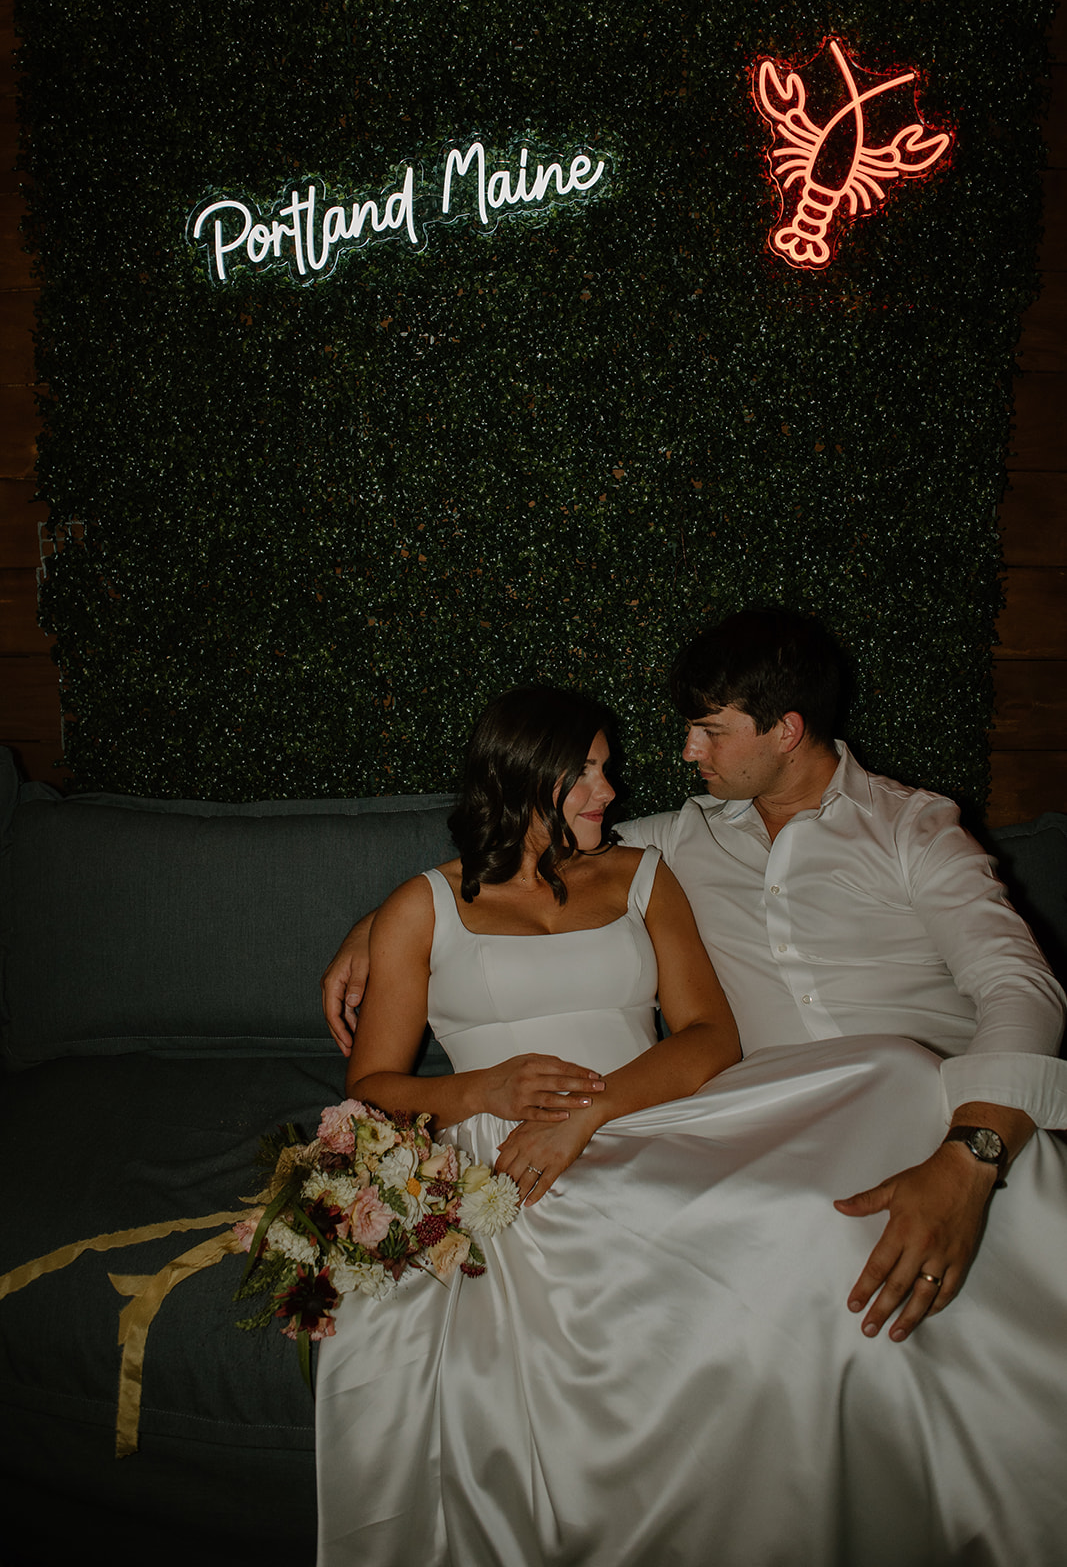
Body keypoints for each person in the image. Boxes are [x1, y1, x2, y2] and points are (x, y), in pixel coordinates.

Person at [317, 669, 1067, 1567]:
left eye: (606, 770)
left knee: (895, 1069)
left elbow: (710, 1036)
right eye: (586, 774)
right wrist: (477, 1089)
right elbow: (374, 1088)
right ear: (520, 778)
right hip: (506, 1144)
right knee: (737, 1230)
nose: (612, 791)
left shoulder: (644, 872)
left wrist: (590, 1111)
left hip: (647, 1109)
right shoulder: (421, 906)